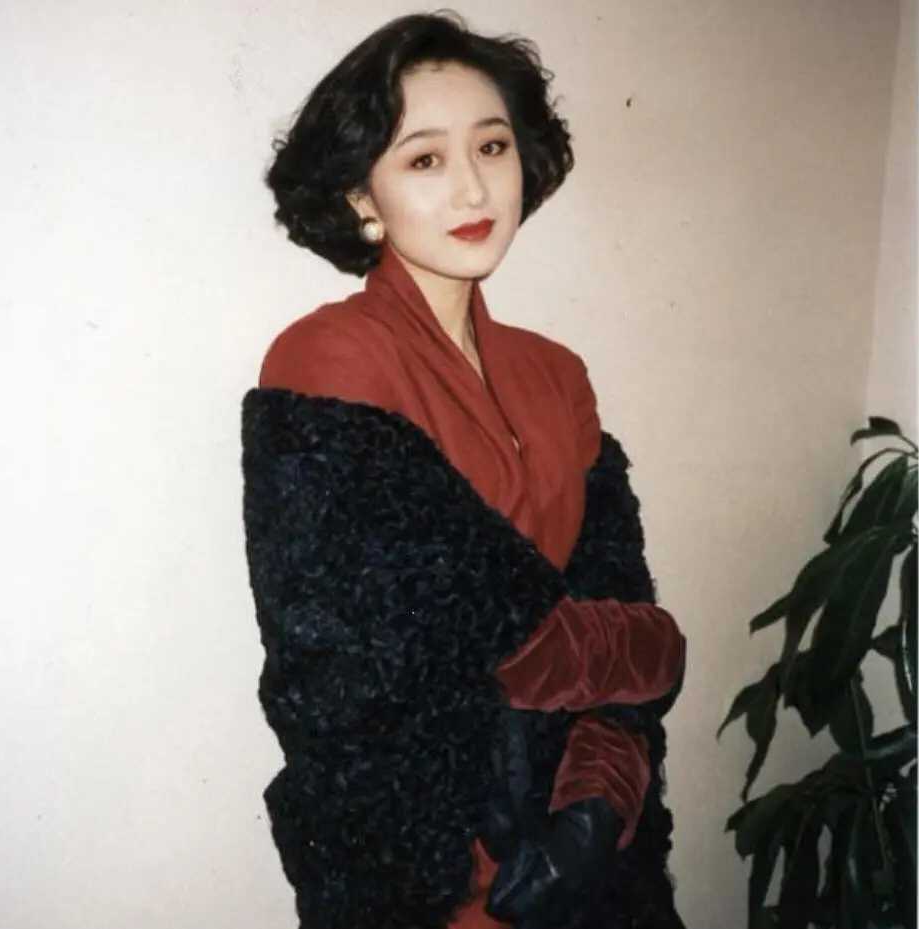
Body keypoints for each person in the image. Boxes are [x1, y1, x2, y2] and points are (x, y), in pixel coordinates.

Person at [242, 12, 687, 929]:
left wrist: (601, 794)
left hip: (582, 847)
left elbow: (611, 599)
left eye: (491, 146)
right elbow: (407, 646)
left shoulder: (556, 372)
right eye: (424, 159)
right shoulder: (325, 362)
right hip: (429, 863)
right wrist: (637, 645)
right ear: (361, 197)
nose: (474, 186)